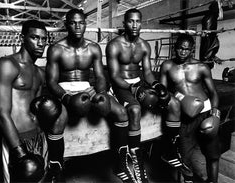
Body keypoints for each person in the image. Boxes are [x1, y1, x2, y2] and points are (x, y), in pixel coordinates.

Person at [45, 8, 137, 183]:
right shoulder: (56, 49)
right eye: (73, 23)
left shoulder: (93, 48)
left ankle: (120, 164)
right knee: (57, 121)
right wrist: (66, 97)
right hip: (65, 90)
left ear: (86, 24)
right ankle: (56, 170)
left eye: (81, 23)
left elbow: (101, 76)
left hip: (88, 89)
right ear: (66, 25)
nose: (78, 26)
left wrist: (100, 92)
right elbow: (51, 82)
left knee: (122, 113)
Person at [0, 20, 67, 183]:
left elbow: (37, 112)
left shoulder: (40, 73)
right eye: (34, 38)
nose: (41, 43)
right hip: (17, 140)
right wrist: (20, 154)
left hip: (39, 138)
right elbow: (1, 113)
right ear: (22, 37)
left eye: (44, 39)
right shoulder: (7, 65)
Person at [106, 8, 170, 183]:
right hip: (120, 84)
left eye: (138, 21)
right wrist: (132, 88)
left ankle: (149, 158)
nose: (134, 25)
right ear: (124, 23)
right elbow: (113, 76)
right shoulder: (114, 45)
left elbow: (148, 73)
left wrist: (157, 85)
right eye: (130, 21)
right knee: (134, 109)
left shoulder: (144, 45)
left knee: (161, 99)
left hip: (137, 83)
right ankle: (126, 162)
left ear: (141, 23)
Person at [160, 33, 220, 183]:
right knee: (184, 158)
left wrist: (215, 114)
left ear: (192, 50)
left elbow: (213, 92)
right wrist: (180, 97)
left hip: (205, 112)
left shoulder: (201, 67)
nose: (183, 52)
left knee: (212, 154)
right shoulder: (167, 66)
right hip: (184, 117)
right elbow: (162, 91)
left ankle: (213, 181)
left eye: (186, 49)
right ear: (175, 48)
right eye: (180, 48)